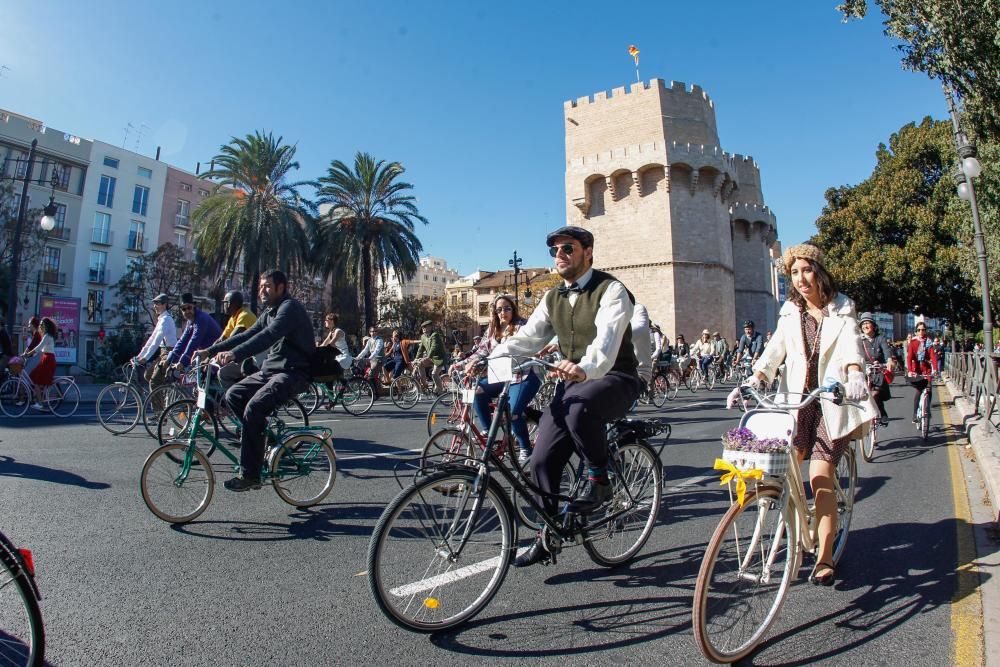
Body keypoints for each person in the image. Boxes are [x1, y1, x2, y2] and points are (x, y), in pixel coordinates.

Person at [490, 225, 640, 568]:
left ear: (588, 251)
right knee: (541, 459)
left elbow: (607, 339)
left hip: (615, 378)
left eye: (567, 249)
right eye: (555, 250)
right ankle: (549, 533)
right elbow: (528, 338)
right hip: (574, 383)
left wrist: (586, 367)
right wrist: (486, 357)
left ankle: (599, 477)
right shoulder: (553, 297)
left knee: (580, 409)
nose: (560, 255)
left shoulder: (612, 290)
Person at [729, 243, 874, 586]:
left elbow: (853, 344)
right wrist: (754, 379)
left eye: (806, 270)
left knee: (819, 477)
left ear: (819, 272)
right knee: (781, 469)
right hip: (797, 403)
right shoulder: (790, 312)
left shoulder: (842, 309)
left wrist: (854, 373)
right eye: (794, 273)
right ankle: (794, 526)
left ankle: (824, 555)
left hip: (832, 403)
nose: (801, 278)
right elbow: (773, 351)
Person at [197, 270, 315, 492]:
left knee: (254, 407)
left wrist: (234, 355)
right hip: (271, 371)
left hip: (293, 373)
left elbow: (267, 337)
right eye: (261, 286)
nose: (262, 290)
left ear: (281, 287)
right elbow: (246, 335)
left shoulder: (289, 309)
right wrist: (210, 351)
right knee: (233, 395)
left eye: (267, 286)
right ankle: (262, 441)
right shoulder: (270, 312)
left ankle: (251, 474)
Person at [466, 294, 541, 463]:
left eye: (507, 308)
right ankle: (488, 433)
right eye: (499, 309)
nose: (503, 312)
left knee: (512, 413)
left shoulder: (523, 325)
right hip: (503, 375)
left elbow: (524, 346)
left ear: (513, 309)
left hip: (525, 375)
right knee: (477, 391)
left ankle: (525, 448)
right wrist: (464, 363)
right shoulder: (493, 329)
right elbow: (481, 350)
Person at [133, 293, 178, 390]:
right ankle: (163, 394)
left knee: (154, 382)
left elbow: (156, 341)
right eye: (154, 304)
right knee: (148, 375)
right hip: (163, 352)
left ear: (164, 305)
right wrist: (140, 356)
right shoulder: (161, 319)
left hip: (169, 352)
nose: (154, 306)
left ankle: (160, 405)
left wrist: (146, 358)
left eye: (157, 303)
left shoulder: (166, 320)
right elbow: (151, 339)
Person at [168, 293, 222, 371]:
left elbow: (194, 340)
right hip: (205, 354)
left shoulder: (201, 318)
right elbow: (182, 341)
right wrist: (169, 359)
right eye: (184, 309)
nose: (187, 311)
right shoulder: (190, 321)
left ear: (194, 307)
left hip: (215, 354)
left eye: (189, 307)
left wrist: (182, 362)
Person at [858, 312, 894, 426]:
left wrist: (888, 360)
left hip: (877, 371)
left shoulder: (880, 338)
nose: (865, 326)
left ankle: (882, 414)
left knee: (875, 394)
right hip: (865, 371)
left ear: (873, 325)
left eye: (867, 323)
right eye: (863, 324)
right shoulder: (860, 340)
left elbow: (887, 351)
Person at [216, 291, 258, 385]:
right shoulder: (234, 317)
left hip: (254, 358)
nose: (223, 305)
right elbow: (221, 340)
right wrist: (208, 353)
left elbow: (232, 340)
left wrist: (214, 355)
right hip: (244, 355)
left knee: (223, 373)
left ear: (230, 304)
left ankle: (234, 399)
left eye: (225, 303)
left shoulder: (244, 315)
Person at [22, 317, 57, 409]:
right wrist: (28, 353)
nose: (40, 326)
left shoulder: (47, 336)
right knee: (35, 377)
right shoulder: (46, 335)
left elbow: (38, 347)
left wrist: (27, 354)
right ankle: (39, 398)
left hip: (48, 360)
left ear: (45, 326)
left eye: (41, 324)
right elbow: (37, 347)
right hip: (46, 358)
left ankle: (40, 403)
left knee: (36, 381)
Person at [906, 321, 937, 424]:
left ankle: (927, 408)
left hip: (926, 369)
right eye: (919, 330)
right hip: (916, 370)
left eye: (923, 330)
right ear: (916, 331)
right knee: (919, 391)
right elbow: (909, 358)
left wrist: (935, 369)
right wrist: (910, 371)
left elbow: (933, 356)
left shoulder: (929, 342)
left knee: (929, 388)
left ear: (925, 331)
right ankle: (915, 414)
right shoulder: (913, 343)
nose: (921, 332)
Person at [414, 320, 447, 393]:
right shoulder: (423, 337)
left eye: (425, 327)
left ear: (430, 327)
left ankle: (440, 391)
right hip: (431, 358)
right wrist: (416, 359)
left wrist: (428, 356)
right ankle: (425, 384)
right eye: (422, 327)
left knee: (434, 374)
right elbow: (420, 349)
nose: (423, 328)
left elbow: (433, 347)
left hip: (439, 358)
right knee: (420, 364)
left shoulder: (435, 335)